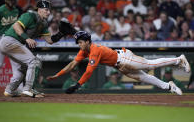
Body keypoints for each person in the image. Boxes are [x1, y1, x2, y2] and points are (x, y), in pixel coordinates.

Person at [47, 31, 190, 95]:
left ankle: (179, 59)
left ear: (88, 41)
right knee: (144, 77)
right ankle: (168, 86)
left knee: (149, 65)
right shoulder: (84, 51)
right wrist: (57, 75)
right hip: (119, 65)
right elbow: (72, 65)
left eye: (80, 42)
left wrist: (78, 85)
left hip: (124, 58)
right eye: (78, 43)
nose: (79, 45)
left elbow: (89, 71)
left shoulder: (95, 50)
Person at [0, 0, 67, 97]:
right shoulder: (30, 15)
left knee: (24, 67)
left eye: (49, 10)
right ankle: (28, 89)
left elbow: (49, 40)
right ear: (39, 10)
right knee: (34, 61)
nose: (48, 12)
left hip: (13, 44)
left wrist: (61, 33)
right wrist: (27, 38)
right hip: (10, 41)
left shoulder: (43, 23)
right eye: (46, 10)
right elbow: (16, 25)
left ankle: (10, 90)